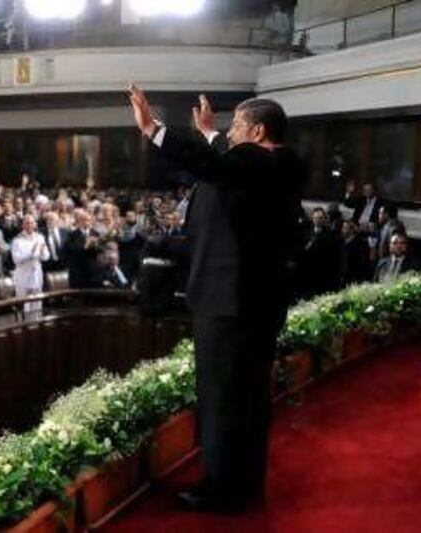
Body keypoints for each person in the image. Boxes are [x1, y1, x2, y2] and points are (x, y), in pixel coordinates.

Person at [129, 85, 304, 513]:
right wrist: (209, 134)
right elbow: (226, 164)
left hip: (230, 304)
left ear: (259, 131)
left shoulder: (255, 163)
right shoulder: (278, 165)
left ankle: (223, 489)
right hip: (255, 302)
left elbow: (214, 164)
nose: (231, 133)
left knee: (222, 398)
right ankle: (242, 482)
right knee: (247, 398)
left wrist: (153, 129)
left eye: (238, 127)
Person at [11, 215, 50, 313]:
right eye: (27, 223)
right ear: (23, 225)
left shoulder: (40, 237)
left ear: (35, 224)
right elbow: (16, 260)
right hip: (24, 275)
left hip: (36, 274)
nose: (29, 225)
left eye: (31, 223)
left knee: (37, 303)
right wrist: (31, 253)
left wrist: (42, 253)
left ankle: (37, 325)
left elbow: (46, 257)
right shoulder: (17, 240)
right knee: (26, 305)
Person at [64, 209, 100, 289]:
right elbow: (72, 252)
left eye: (88, 220)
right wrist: (86, 245)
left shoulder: (96, 233)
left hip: (92, 272)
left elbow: (99, 251)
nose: (86, 222)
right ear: (79, 221)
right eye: (84, 220)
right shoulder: (72, 235)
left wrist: (96, 245)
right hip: (78, 273)